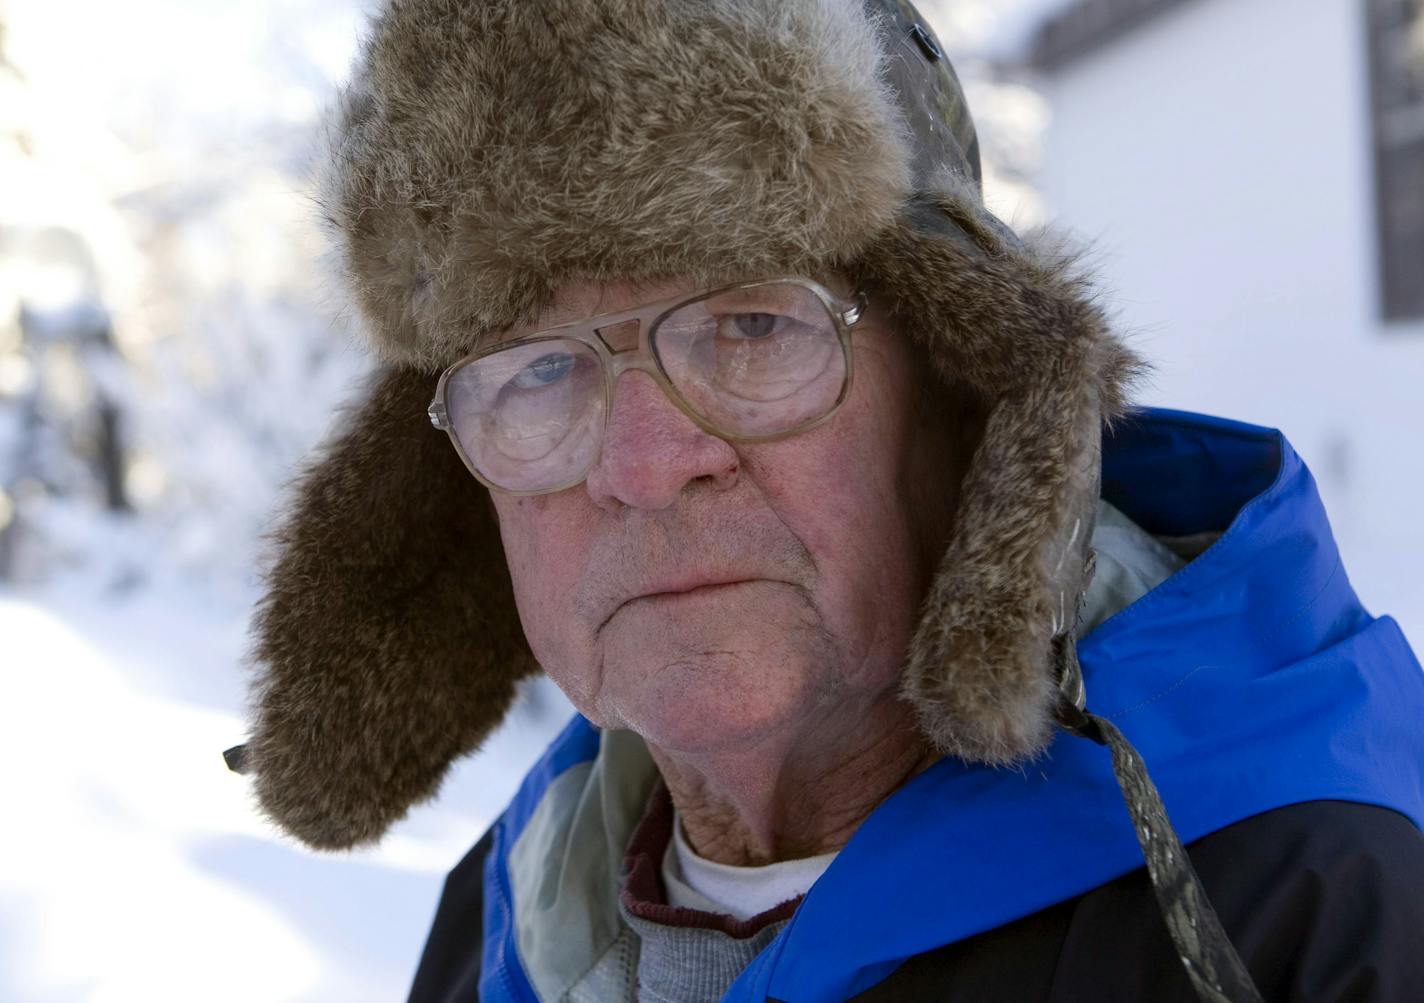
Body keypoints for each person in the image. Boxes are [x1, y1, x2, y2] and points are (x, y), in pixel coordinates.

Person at [225, 1, 1424, 1000]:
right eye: (537, 371)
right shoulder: (504, 921)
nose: (645, 463)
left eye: (750, 325)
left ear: (961, 397)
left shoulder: (1302, 915)